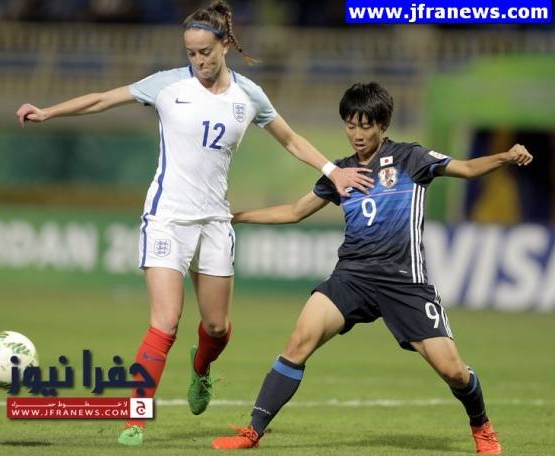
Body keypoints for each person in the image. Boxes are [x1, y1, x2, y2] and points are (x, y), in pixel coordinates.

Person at [15, 0, 373, 447]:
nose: (199, 60)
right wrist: (48, 112)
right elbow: (104, 98)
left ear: (225, 45)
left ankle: (200, 368)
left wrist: (332, 171)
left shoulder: (248, 95)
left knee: (217, 327)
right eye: (191, 53)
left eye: (205, 51)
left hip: (215, 222)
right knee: (165, 322)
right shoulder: (167, 85)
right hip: (167, 218)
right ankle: (135, 418)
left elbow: (290, 139)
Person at [212, 81, 533, 454]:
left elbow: (465, 167)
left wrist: (505, 157)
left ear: (382, 125)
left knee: (453, 371)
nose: (357, 135)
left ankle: (482, 426)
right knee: (299, 341)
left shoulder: (410, 158)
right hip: (353, 277)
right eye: (350, 125)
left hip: (404, 282)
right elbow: (295, 212)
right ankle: (253, 431)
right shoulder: (340, 172)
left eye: (365, 126)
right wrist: (236, 216)